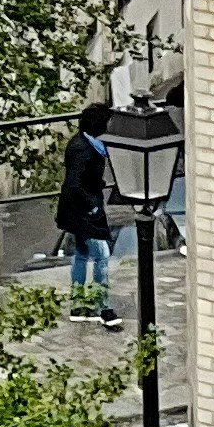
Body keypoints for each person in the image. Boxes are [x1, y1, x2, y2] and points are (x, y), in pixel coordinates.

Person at [56, 97, 118, 324]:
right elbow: (75, 183)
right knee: (102, 255)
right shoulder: (83, 149)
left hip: (77, 210)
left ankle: (79, 305)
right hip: (84, 212)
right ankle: (102, 307)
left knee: (81, 255)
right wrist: (92, 205)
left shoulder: (85, 144)